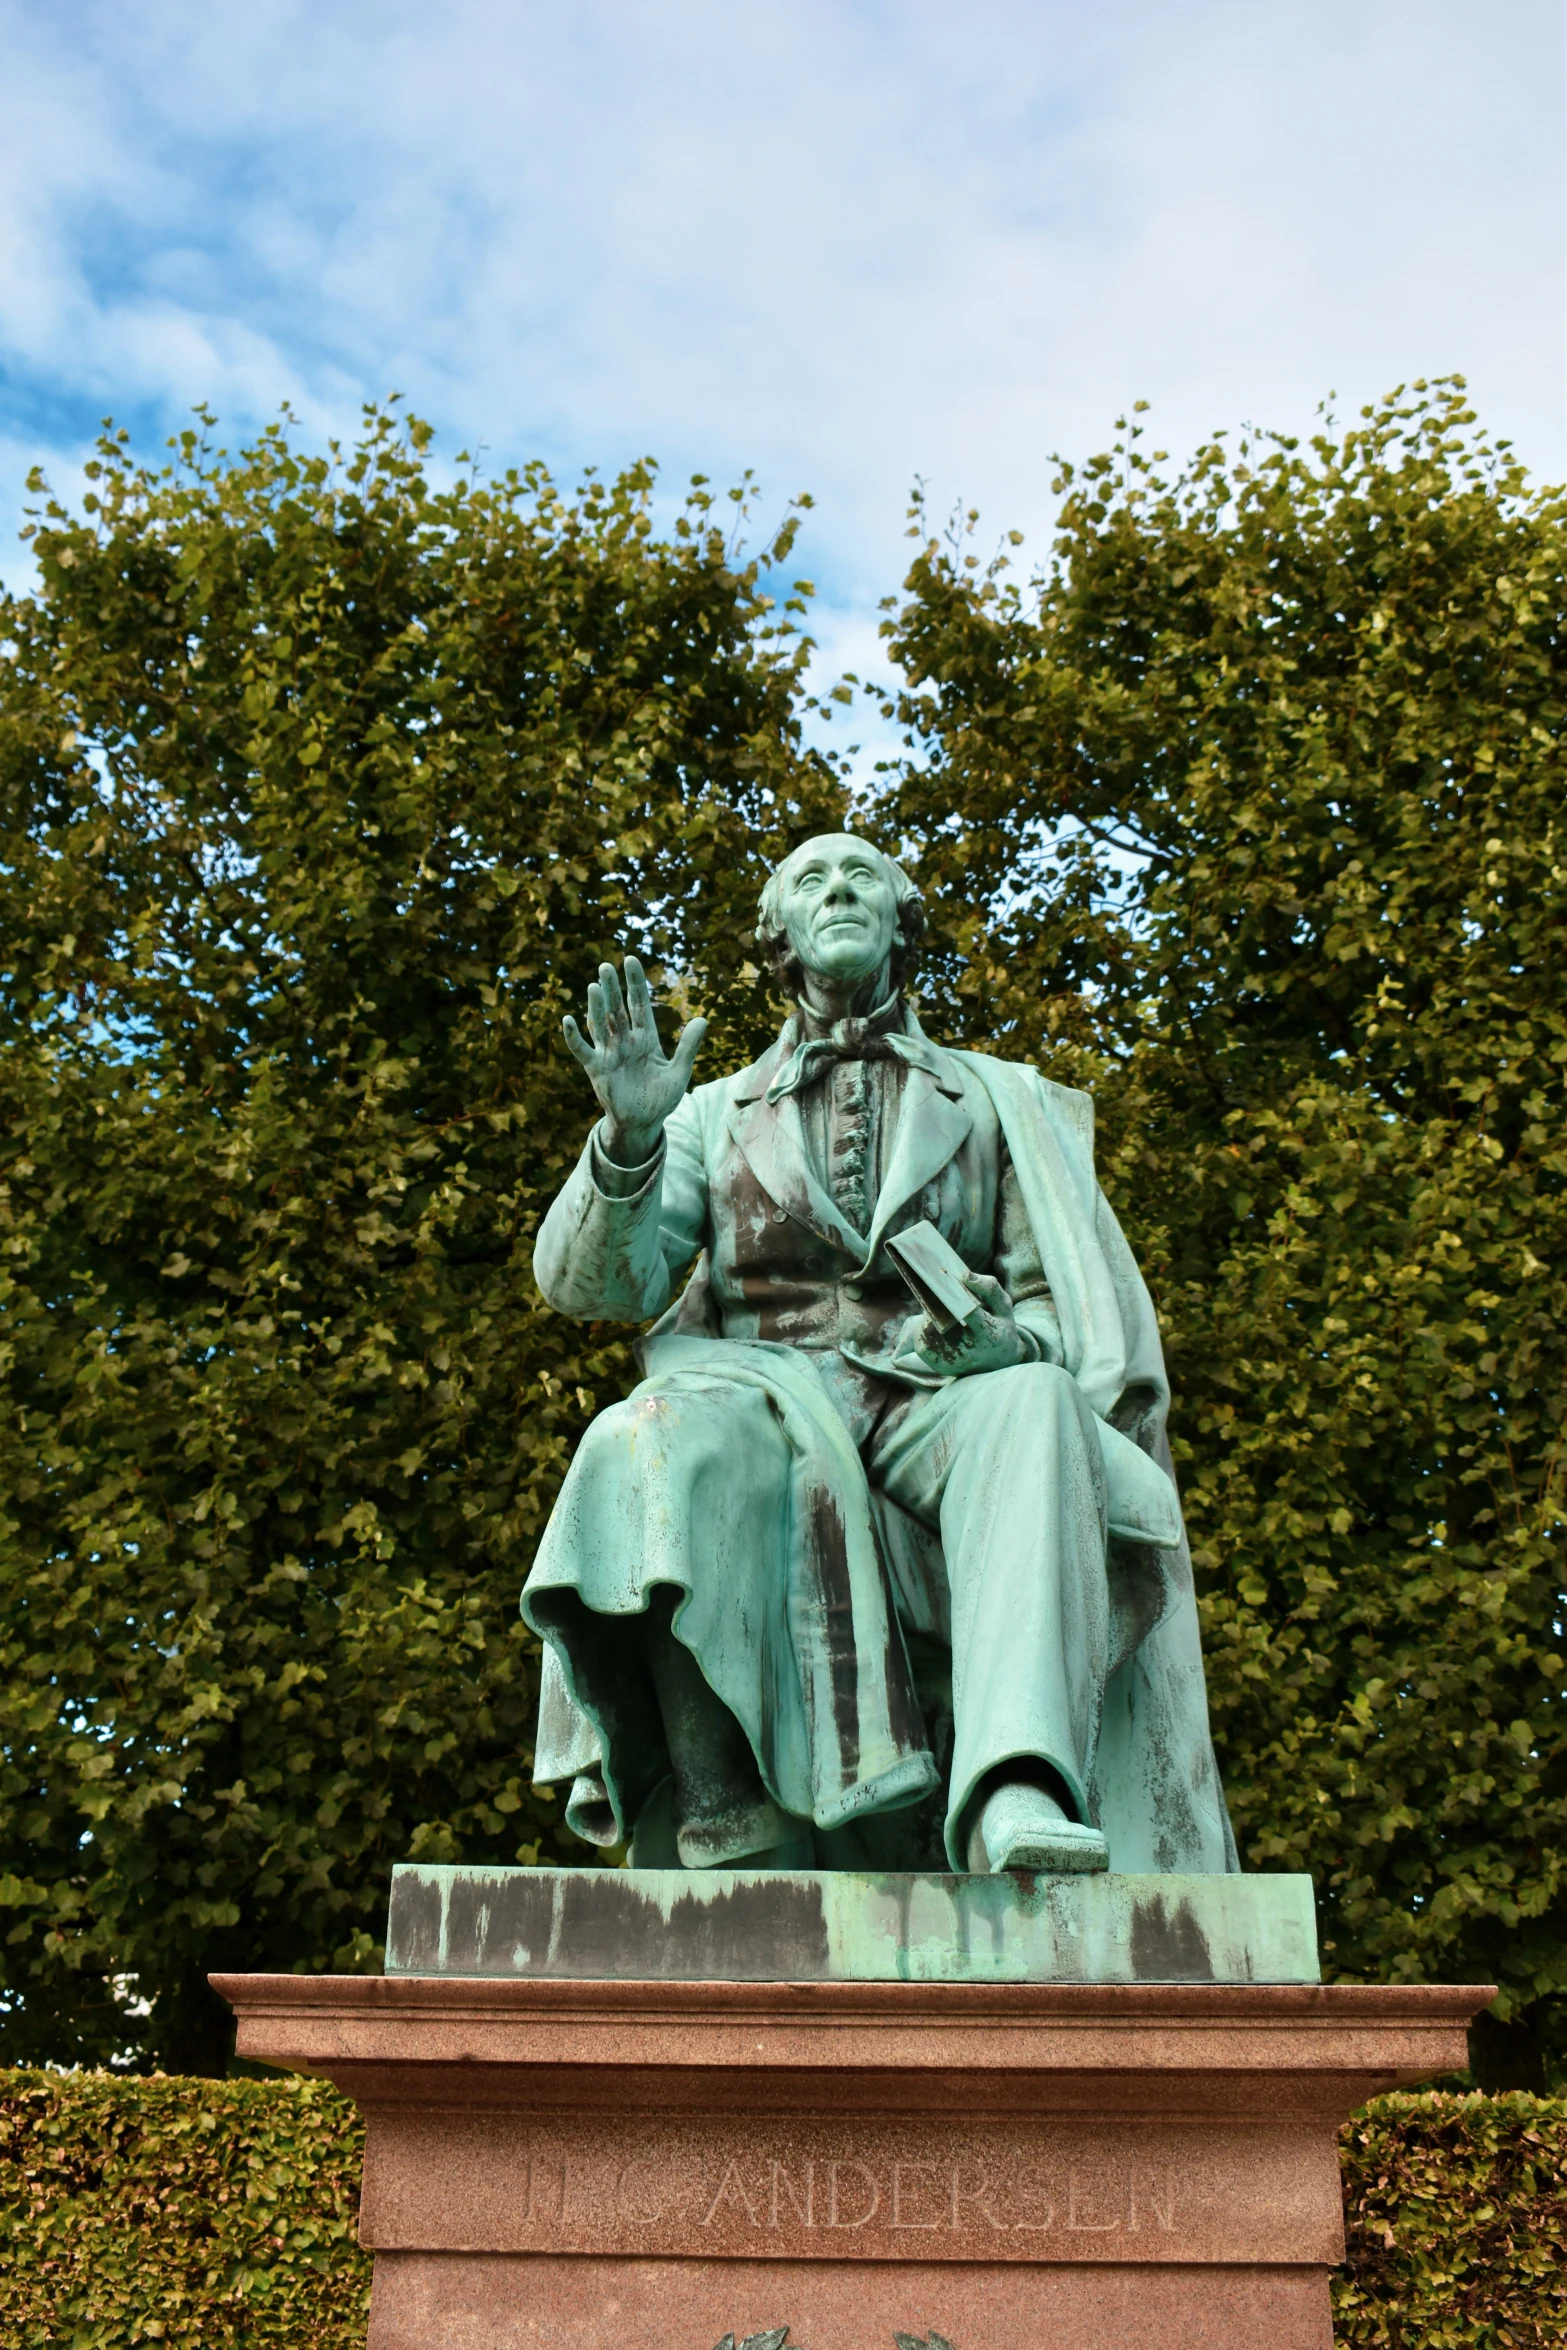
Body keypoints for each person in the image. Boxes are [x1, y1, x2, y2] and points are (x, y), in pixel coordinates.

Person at [523, 834, 1236, 1877]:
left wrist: (1007, 1342)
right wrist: (631, 1139)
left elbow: (1055, 1314)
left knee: (1034, 1399)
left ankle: (1015, 1787)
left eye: (864, 875)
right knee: (643, 1435)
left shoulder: (994, 1099)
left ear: (904, 921)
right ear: (781, 935)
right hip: (760, 1395)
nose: (840, 889)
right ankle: (723, 1810)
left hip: (930, 1400)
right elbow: (597, 1287)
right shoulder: (708, 1112)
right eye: (812, 878)